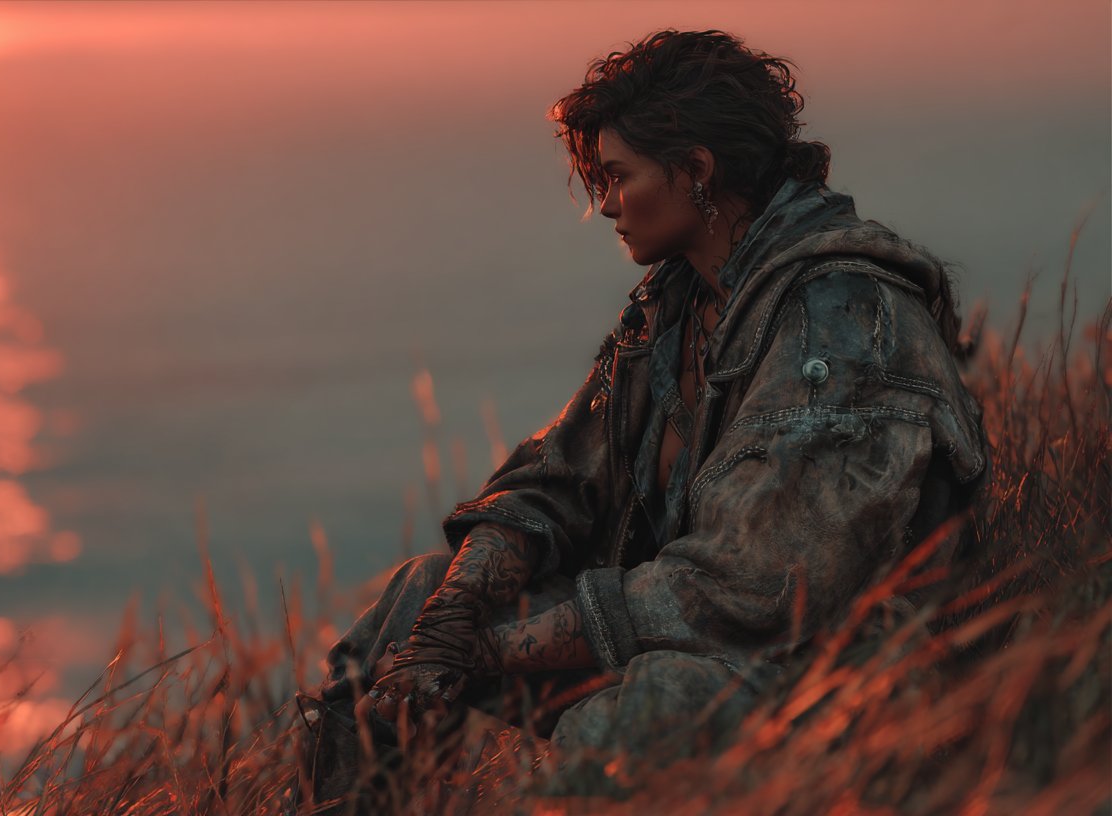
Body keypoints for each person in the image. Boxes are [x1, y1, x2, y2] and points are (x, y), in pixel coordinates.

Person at [295, 27, 988, 808]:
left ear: (697, 171)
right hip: (683, 638)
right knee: (415, 598)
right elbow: (553, 479)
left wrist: (481, 653)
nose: (606, 204)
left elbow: (751, 590)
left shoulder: (842, 321)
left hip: (835, 677)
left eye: (620, 177)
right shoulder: (675, 303)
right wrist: (446, 621)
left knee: (645, 708)